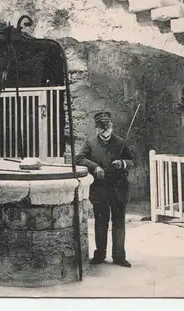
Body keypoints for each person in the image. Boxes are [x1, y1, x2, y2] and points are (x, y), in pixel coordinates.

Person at [76, 111, 136, 268]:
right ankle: (100, 254)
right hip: (100, 189)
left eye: (107, 125)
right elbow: (79, 158)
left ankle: (119, 256)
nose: (105, 129)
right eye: (101, 126)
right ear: (96, 128)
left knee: (119, 223)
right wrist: (95, 167)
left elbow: (132, 161)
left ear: (112, 126)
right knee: (101, 222)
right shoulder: (90, 143)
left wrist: (122, 163)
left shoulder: (120, 142)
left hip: (119, 188)